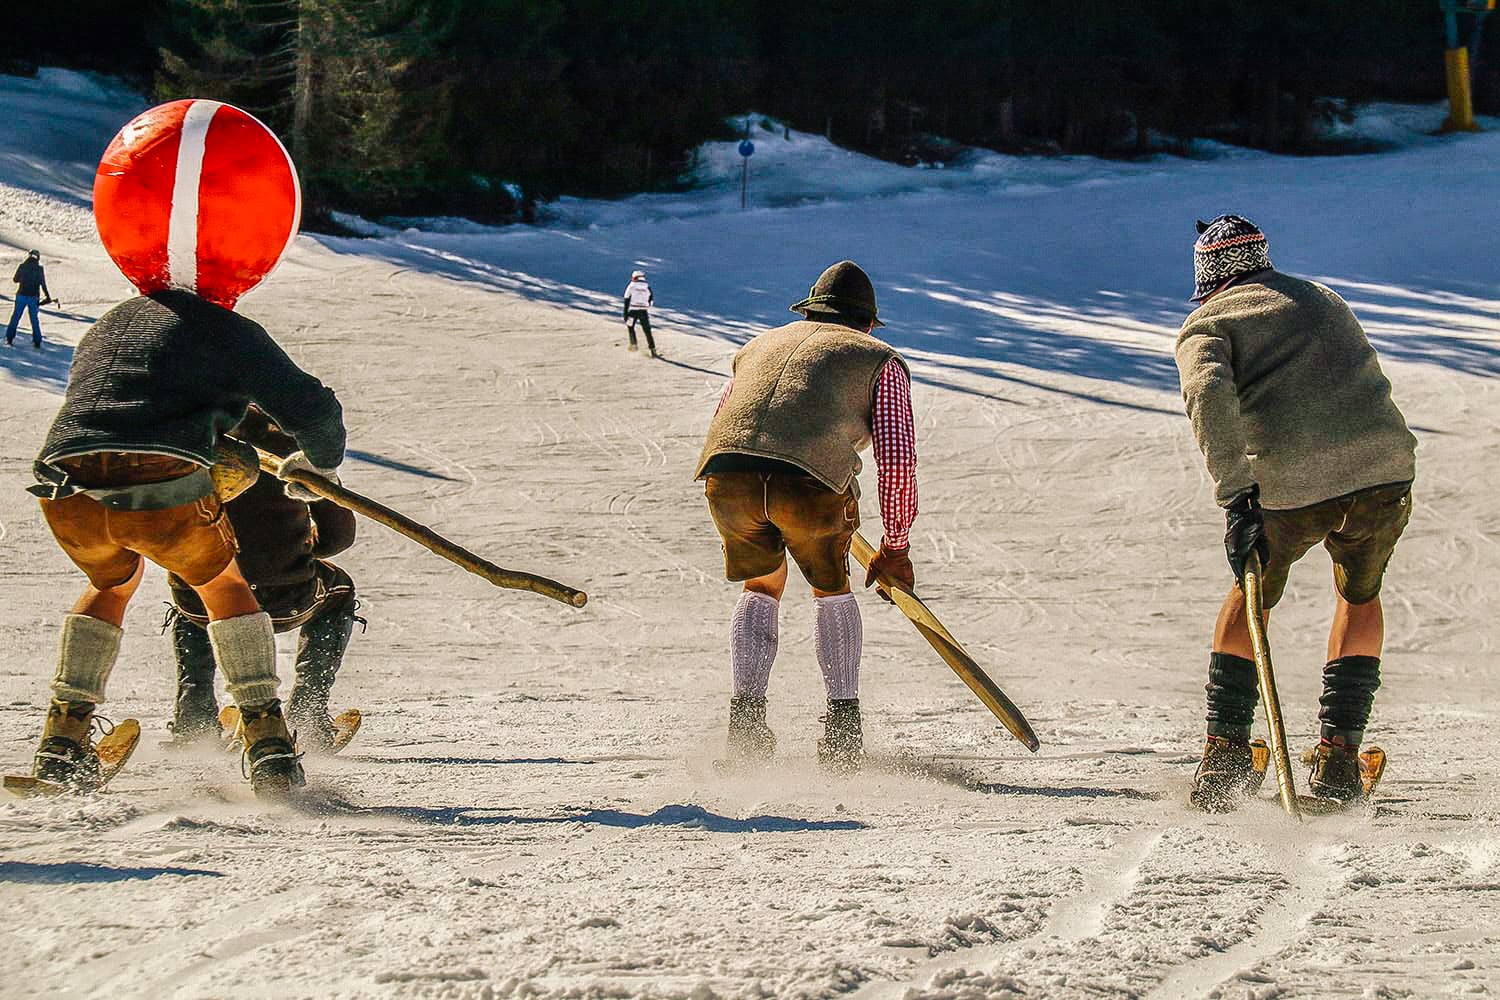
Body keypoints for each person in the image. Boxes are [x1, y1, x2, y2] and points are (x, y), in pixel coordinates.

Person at [1174, 215, 1417, 811]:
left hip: (1290, 484)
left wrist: (1237, 498)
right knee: (1359, 595)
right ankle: (1338, 762)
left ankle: (1226, 758)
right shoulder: (1320, 297)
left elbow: (1208, 401)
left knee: (1250, 596)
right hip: (1384, 470)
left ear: (1206, 275)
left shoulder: (1207, 324)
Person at [695, 260, 918, 772]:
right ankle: (842, 737)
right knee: (831, 589)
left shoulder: (758, 345)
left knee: (761, 584)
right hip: (809, 484)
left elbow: (725, 417)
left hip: (728, 476)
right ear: (867, 324)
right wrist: (896, 547)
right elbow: (897, 461)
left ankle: (746, 732)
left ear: (810, 312)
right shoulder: (880, 359)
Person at [165, 407, 361, 754]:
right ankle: (308, 712)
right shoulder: (292, 448)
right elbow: (339, 536)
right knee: (339, 590)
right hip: (285, 598)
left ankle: (193, 717)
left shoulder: (182, 439)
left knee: (193, 594)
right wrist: (299, 550)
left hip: (204, 606)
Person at [7, 250, 50, 348]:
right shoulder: (39, 269)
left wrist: (23, 278)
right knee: (34, 319)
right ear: (38, 257)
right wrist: (47, 296)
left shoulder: (22, 266)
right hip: (33, 297)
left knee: (15, 317)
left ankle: (9, 338)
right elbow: (43, 284)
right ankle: (37, 341)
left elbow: (15, 279)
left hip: (21, 295)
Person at [622, 269, 657, 357]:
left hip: (632, 311)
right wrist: (646, 306)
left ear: (634, 277)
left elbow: (626, 300)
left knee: (630, 327)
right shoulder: (647, 287)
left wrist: (625, 315)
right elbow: (651, 300)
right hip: (643, 312)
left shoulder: (631, 286)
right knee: (647, 330)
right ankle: (652, 349)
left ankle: (633, 344)